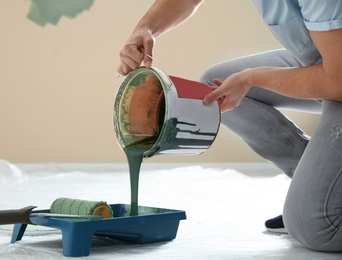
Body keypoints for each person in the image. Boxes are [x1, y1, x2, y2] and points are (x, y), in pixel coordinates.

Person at [117, 0, 342, 252]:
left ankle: (317, 205)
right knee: (216, 89)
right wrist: (146, 28)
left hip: (338, 74)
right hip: (326, 58)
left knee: (313, 227)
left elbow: (337, 79)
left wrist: (250, 78)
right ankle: (326, 190)